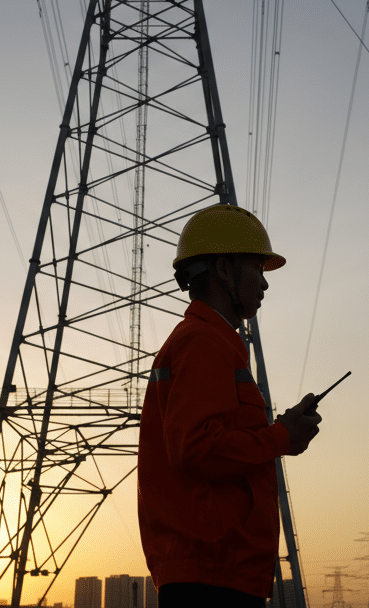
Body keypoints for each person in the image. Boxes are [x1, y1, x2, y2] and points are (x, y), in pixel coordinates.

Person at [138, 204, 323, 608]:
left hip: (217, 569)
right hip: (211, 573)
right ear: (225, 270)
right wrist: (281, 436)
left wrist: (281, 434)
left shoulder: (212, 343)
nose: (265, 283)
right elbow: (198, 449)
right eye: (257, 269)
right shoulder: (203, 342)